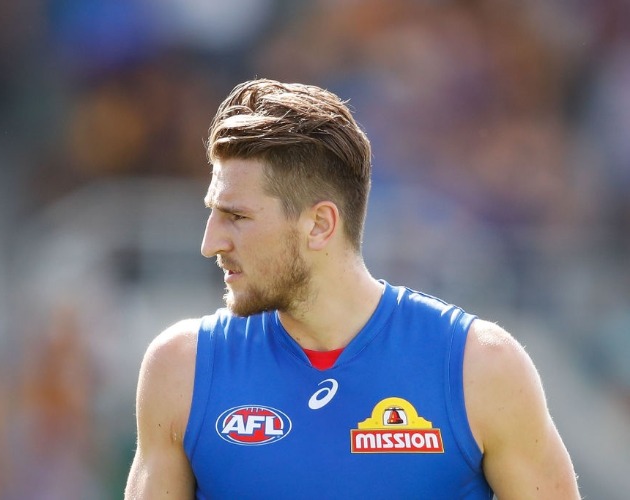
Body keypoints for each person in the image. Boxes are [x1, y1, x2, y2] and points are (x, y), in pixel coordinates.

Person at [125, 79, 580, 499]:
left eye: (237, 217)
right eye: (213, 212)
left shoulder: (480, 368)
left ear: (320, 224)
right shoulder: (180, 370)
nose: (210, 244)